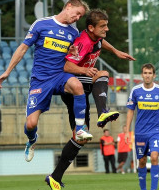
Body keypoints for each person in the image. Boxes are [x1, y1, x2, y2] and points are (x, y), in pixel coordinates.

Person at [0, 0, 92, 190]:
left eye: (80, 16)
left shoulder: (73, 32)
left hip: (60, 76)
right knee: (30, 124)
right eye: (77, 13)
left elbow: (73, 57)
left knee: (78, 87)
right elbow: (23, 49)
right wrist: (7, 72)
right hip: (40, 80)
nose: (77, 18)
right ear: (68, 6)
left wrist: (73, 54)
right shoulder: (41, 24)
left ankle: (80, 129)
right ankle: (32, 140)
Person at [46, 9, 136, 188]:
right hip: (73, 84)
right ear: (90, 28)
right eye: (103, 26)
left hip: (80, 87)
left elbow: (102, 42)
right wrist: (84, 70)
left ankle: (55, 177)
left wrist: (116, 51)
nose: (107, 29)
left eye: (106, 25)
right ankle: (103, 112)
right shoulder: (83, 42)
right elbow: (67, 66)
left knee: (81, 137)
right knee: (102, 74)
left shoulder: (96, 37)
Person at [125, 63, 159, 190]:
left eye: (150, 73)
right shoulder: (135, 91)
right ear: (142, 75)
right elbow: (130, 110)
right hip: (140, 131)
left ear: (154, 75)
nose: (147, 76)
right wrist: (126, 130)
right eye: (145, 73)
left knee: (154, 156)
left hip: (156, 131)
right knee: (142, 161)